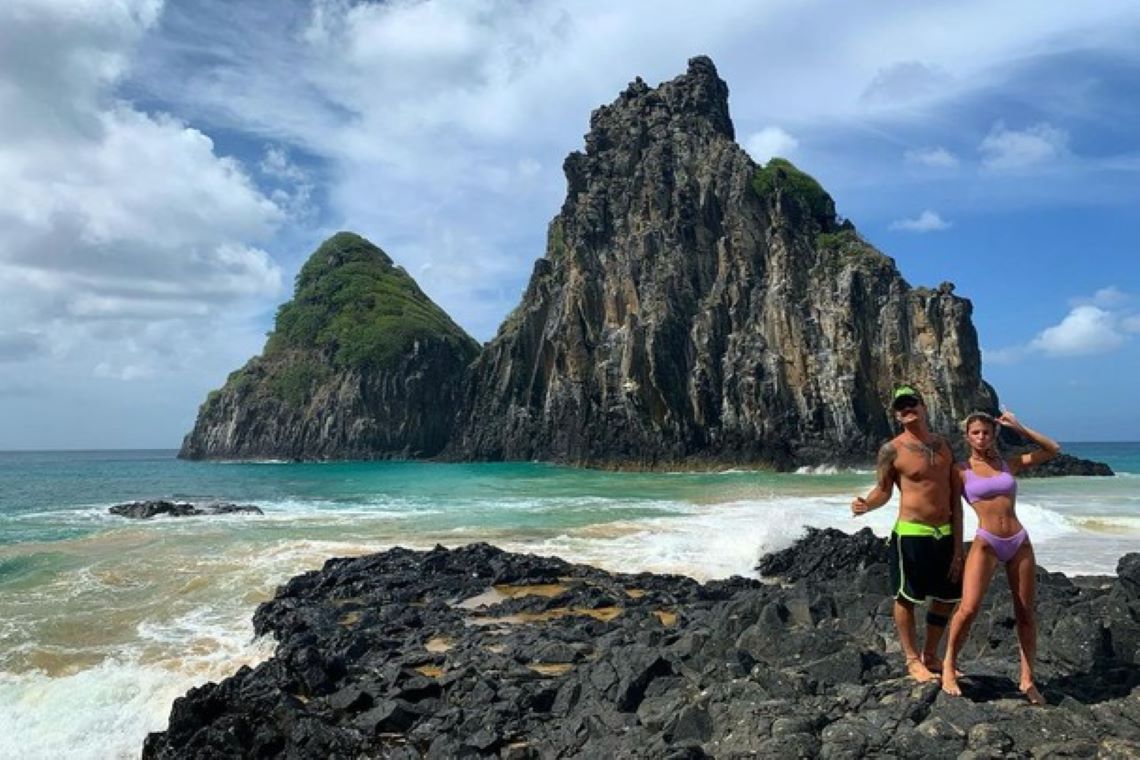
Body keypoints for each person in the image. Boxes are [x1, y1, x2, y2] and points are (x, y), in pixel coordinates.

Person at [941, 410, 1060, 705]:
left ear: (994, 435)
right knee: (968, 608)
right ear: (967, 437)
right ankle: (948, 666)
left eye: (986, 432)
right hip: (986, 542)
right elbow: (956, 514)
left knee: (1025, 612)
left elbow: (1052, 450)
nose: (981, 437)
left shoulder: (1008, 464)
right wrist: (957, 552)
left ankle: (1028, 679)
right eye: (976, 432)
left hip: (1019, 541)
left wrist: (1019, 427)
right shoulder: (960, 470)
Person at [852, 384, 964, 682]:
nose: (907, 409)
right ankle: (912, 660)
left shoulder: (944, 445)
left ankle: (930, 654)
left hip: (945, 533)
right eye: (900, 406)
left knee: (947, 597)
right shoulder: (891, 450)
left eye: (912, 402)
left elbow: (954, 496)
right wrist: (866, 504)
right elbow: (883, 490)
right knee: (906, 598)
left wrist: (958, 546)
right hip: (911, 534)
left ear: (924, 406)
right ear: (896, 415)